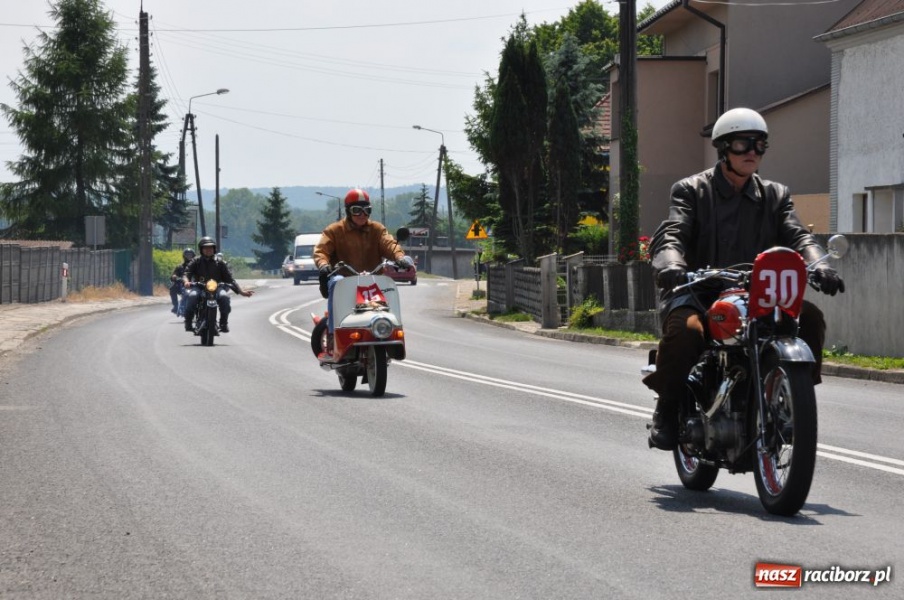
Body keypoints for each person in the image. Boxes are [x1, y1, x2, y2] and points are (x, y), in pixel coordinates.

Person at [644, 107, 845, 450]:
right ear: (724, 148)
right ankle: (668, 408)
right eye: (742, 144)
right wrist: (670, 263)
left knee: (810, 319)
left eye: (759, 145)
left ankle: (794, 401)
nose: (752, 152)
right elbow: (673, 232)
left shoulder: (775, 195)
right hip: (698, 290)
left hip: (756, 294)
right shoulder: (692, 190)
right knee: (686, 332)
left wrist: (819, 266)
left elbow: (799, 236)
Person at [313, 188, 414, 359]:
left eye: (366, 210)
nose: (362, 214)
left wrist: (400, 257)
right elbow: (321, 250)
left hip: (373, 279)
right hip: (345, 279)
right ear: (348, 211)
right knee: (335, 281)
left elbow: (389, 244)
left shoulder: (377, 229)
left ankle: (387, 329)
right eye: (356, 210)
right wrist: (323, 264)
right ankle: (332, 334)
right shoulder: (334, 230)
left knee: (387, 289)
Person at [182, 237, 253, 333]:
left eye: (211, 248)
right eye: (205, 248)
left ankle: (223, 323)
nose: (208, 250)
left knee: (225, 298)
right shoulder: (196, 261)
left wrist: (241, 292)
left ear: (214, 249)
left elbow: (230, 279)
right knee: (192, 296)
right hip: (199, 286)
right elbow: (187, 273)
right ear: (201, 249)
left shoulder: (220, 262)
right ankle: (188, 322)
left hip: (217, 287)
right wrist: (186, 281)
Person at [169, 247, 194, 315]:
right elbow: (173, 275)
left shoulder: (196, 266)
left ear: (193, 256)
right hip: (182, 286)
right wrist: (174, 277)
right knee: (172, 288)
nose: (189, 256)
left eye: (190, 255)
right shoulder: (180, 267)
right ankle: (176, 306)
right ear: (184, 256)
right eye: (187, 255)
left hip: (194, 285)